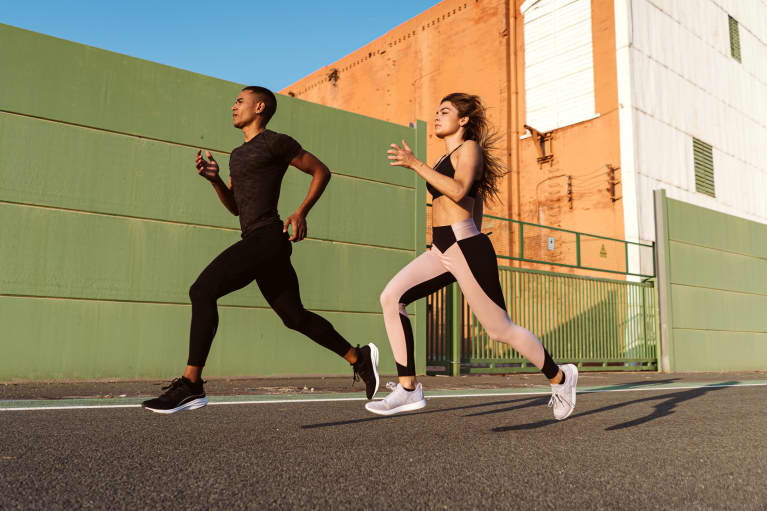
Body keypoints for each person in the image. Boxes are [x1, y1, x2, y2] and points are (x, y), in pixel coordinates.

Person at [142, 86, 379, 414]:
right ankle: (358, 356)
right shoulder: (237, 155)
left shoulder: (276, 142)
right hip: (257, 239)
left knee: (202, 290)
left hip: (268, 237)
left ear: (260, 107)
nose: (233, 107)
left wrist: (301, 212)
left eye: (240, 101)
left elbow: (321, 171)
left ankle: (192, 383)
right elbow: (236, 208)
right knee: (294, 317)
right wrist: (215, 181)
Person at [366, 93, 577, 419]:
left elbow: (460, 190)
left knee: (500, 331)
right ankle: (408, 388)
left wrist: (415, 164)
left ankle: (560, 377)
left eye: (445, 111)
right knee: (390, 297)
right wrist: (446, 245)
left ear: (463, 120)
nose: (437, 116)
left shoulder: (469, 149)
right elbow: (474, 202)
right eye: (436, 111)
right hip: (442, 248)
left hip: (464, 247)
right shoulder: (444, 158)